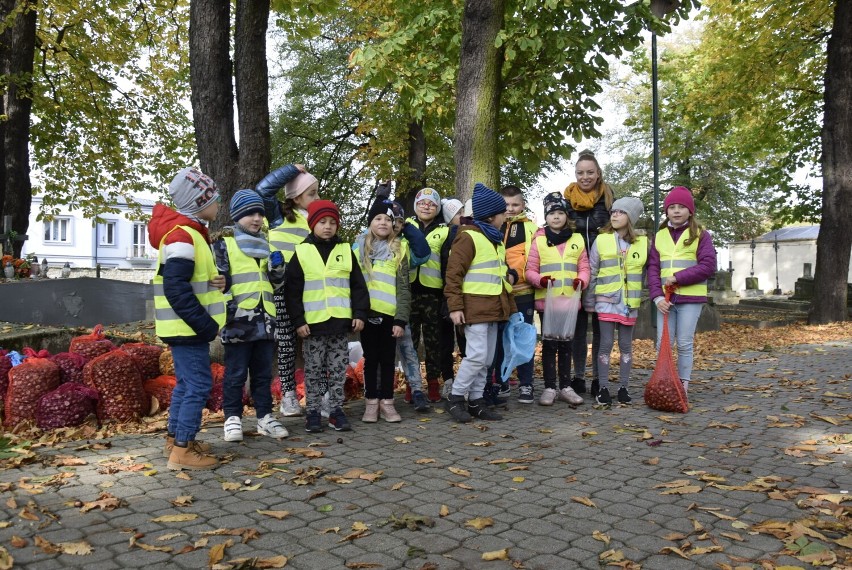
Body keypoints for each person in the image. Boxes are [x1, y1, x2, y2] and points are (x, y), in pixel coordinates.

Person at [149, 167, 225, 470]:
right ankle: (182, 451)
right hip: (189, 327)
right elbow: (176, 288)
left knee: (185, 384)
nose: (219, 204)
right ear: (198, 202)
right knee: (197, 385)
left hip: (183, 326)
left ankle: (176, 438)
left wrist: (218, 282)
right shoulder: (183, 236)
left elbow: (190, 280)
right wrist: (205, 324)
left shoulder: (188, 233)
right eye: (214, 198)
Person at [285, 200, 370, 432]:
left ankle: (335, 411)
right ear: (313, 224)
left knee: (337, 370)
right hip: (313, 326)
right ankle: (312, 412)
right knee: (313, 371)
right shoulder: (301, 252)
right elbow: (292, 291)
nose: (328, 226)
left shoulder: (344, 251)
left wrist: (360, 313)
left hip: (340, 325)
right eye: (322, 222)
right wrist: (298, 321)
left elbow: (358, 285)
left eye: (332, 222)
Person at [213, 190, 289, 441]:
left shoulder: (266, 245)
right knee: (235, 374)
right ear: (237, 216)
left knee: (263, 374)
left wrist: (278, 267)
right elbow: (219, 282)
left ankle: (264, 418)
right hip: (238, 321)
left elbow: (275, 283)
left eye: (259, 214)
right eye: (249, 214)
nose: (256, 219)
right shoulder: (225, 244)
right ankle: (232, 418)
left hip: (266, 322)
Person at [444, 183, 517, 423]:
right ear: (491, 216)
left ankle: (476, 401)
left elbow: (500, 279)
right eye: (502, 213)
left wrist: (511, 309)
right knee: (475, 356)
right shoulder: (468, 238)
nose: (505, 216)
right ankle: (455, 398)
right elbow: (453, 274)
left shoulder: (495, 240)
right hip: (473, 310)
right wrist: (455, 307)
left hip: (493, 310)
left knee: (485, 360)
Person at [255, 164, 315, 418]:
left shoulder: (317, 220)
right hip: (281, 289)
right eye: (311, 193)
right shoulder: (278, 215)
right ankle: (288, 395)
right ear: (295, 196)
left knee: (314, 343)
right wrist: (291, 170)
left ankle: (317, 394)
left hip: (309, 290)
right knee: (287, 344)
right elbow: (263, 191)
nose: (317, 198)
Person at [648, 187, 716, 395]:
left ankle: (683, 386)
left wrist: (679, 277)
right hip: (665, 300)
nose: (676, 211)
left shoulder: (700, 235)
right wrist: (656, 296)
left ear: (690, 211)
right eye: (672, 207)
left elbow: (708, 265)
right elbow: (653, 268)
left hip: (690, 298)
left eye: (682, 207)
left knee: (685, 342)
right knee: (662, 344)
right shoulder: (659, 236)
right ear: (667, 211)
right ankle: (666, 381)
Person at [525, 192, 588, 406]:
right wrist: (540, 280)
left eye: (560, 212)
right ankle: (550, 387)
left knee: (567, 346)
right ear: (546, 216)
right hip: (547, 302)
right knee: (550, 345)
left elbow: (584, 267)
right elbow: (530, 270)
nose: (556, 217)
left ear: (566, 215)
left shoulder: (577, 239)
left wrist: (582, 280)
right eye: (552, 213)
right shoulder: (539, 240)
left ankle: (566, 386)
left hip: (570, 302)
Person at [354, 197, 411, 422]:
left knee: (388, 360)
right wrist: (357, 313)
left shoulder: (399, 249)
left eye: (388, 219)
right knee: (371, 359)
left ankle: (387, 402)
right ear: (370, 222)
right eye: (378, 218)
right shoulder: (359, 248)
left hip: (391, 316)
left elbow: (404, 288)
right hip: (368, 316)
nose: (383, 222)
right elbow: (355, 285)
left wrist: (401, 320)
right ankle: (371, 403)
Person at [562, 150, 615, 398]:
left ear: (598, 173)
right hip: (576, 272)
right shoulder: (566, 200)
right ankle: (579, 377)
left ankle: (599, 378)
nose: (585, 177)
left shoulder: (608, 198)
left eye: (590, 172)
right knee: (578, 330)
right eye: (580, 172)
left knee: (602, 330)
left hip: (604, 271)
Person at [586, 197, 647, 406]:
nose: (614, 215)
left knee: (625, 346)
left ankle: (623, 387)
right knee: (604, 345)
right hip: (606, 301)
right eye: (613, 212)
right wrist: (589, 301)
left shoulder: (642, 243)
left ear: (631, 217)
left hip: (629, 304)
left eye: (620, 212)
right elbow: (592, 271)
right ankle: (603, 387)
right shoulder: (601, 240)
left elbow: (648, 272)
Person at [485, 185, 538, 404]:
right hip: (498, 293)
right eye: (506, 205)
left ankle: (526, 384)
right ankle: (502, 382)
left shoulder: (532, 228)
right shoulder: (492, 226)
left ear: (523, 205)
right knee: (498, 340)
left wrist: (519, 276)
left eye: (515, 204)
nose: (510, 209)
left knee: (523, 338)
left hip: (523, 291)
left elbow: (536, 258)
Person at [407, 188, 451, 403]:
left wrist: (447, 296)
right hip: (408, 292)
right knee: (410, 341)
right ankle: (411, 384)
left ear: (438, 208)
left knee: (434, 342)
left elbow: (447, 265)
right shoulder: (405, 225)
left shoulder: (445, 231)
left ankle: (433, 382)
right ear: (416, 205)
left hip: (433, 293)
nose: (426, 206)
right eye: (422, 202)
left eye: (432, 204)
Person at [438, 197, 467, 399]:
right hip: (443, 295)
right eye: (458, 213)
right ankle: (448, 380)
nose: (463, 216)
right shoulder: (443, 236)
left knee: (466, 340)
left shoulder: (468, 235)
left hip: (465, 294)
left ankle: (467, 381)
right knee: (445, 342)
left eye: (463, 211)